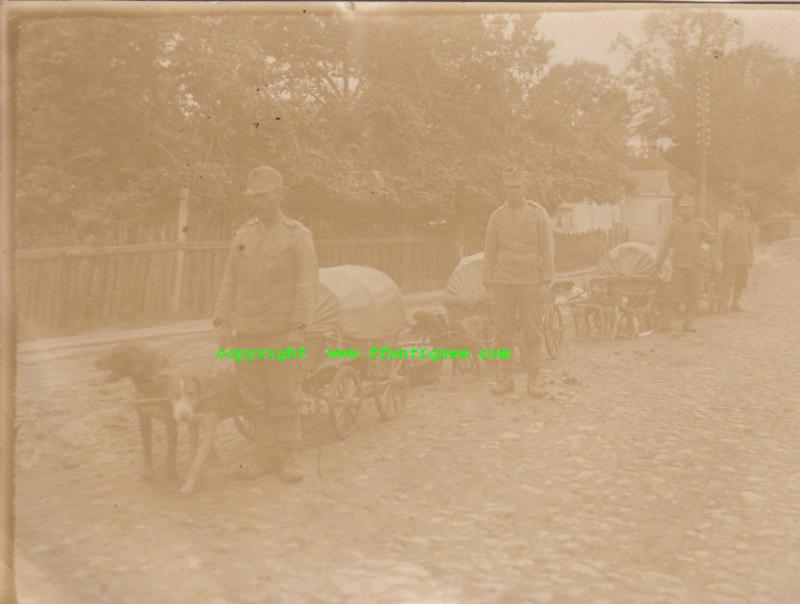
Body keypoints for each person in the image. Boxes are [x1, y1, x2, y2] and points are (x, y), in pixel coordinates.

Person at [213, 165, 319, 483]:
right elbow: (229, 279)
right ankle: (263, 456)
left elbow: (306, 284)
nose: (255, 202)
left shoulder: (297, 235)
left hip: (281, 335)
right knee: (253, 397)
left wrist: (299, 329)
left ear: (279, 195)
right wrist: (221, 320)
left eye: (262, 196)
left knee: (284, 395)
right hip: (246, 333)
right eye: (252, 197)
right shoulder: (243, 235)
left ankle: (290, 456)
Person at [483, 167, 555, 398]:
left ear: (524, 187)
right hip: (503, 282)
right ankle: (506, 379)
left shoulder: (538, 214)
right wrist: (488, 282)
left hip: (530, 282)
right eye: (508, 187)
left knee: (531, 332)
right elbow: (490, 252)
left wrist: (545, 282)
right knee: (502, 333)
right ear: (503, 188)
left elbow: (547, 250)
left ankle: (534, 381)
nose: (512, 191)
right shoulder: (496, 217)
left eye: (517, 186)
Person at [653, 194, 717, 332]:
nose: (686, 211)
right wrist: (658, 264)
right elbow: (665, 246)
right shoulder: (674, 226)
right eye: (683, 208)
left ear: (693, 209)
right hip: (680, 266)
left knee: (693, 295)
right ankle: (666, 324)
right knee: (672, 295)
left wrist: (704, 252)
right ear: (680, 210)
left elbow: (712, 239)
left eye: (688, 208)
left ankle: (688, 325)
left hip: (696, 266)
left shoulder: (701, 224)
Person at [719, 201, 755, 312]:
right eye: (738, 212)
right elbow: (722, 243)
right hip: (730, 259)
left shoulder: (748, 227)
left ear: (745, 213)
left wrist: (750, 258)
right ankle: (724, 305)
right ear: (734, 213)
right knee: (727, 282)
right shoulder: (728, 227)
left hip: (743, 259)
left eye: (742, 212)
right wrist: (722, 257)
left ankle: (735, 303)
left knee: (741, 282)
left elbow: (750, 244)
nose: (740, 214)